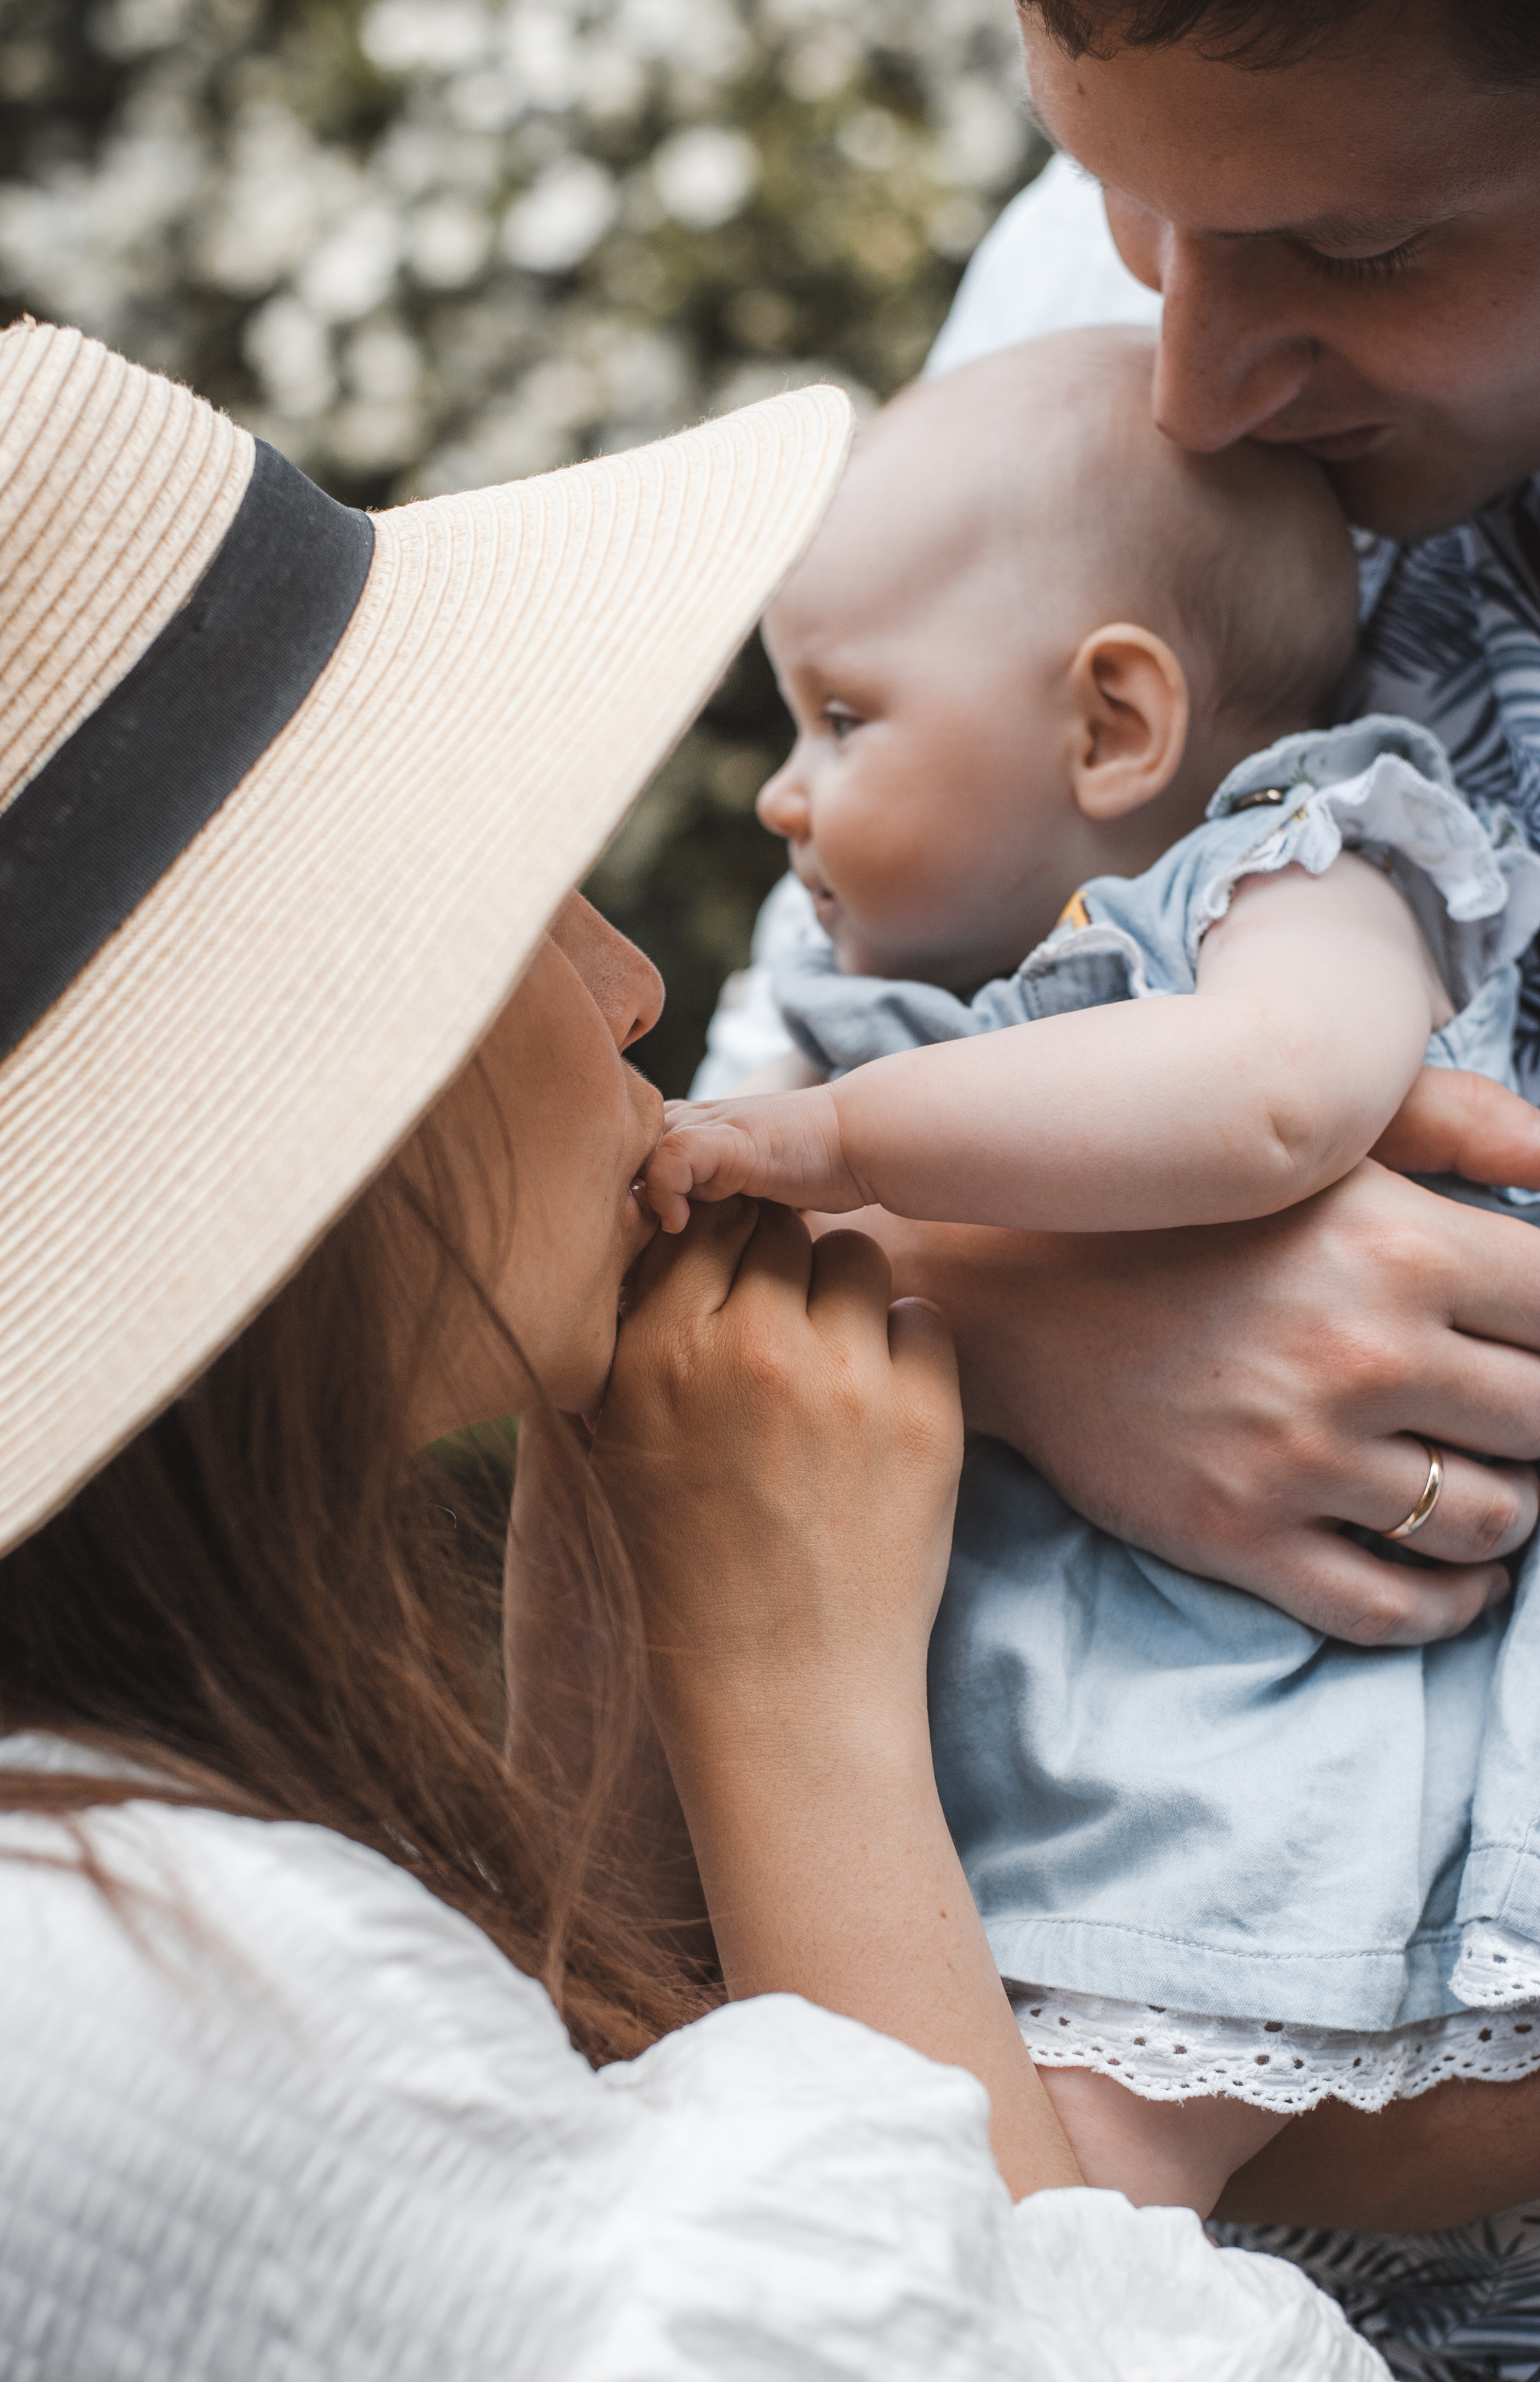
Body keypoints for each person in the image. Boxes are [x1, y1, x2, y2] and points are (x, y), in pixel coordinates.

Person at [0, 317, 1393, 2376]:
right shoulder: (166, 1995)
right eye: (515, 901)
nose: (631, 982)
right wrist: (784, 1675)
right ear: (278, 1079)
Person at [694, 0, 1540, 2355]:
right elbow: (785, 1077)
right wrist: (988, 1272)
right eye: (1131, 214)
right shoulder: (1110, 325)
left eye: (1361, 248)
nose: (1186, 378)